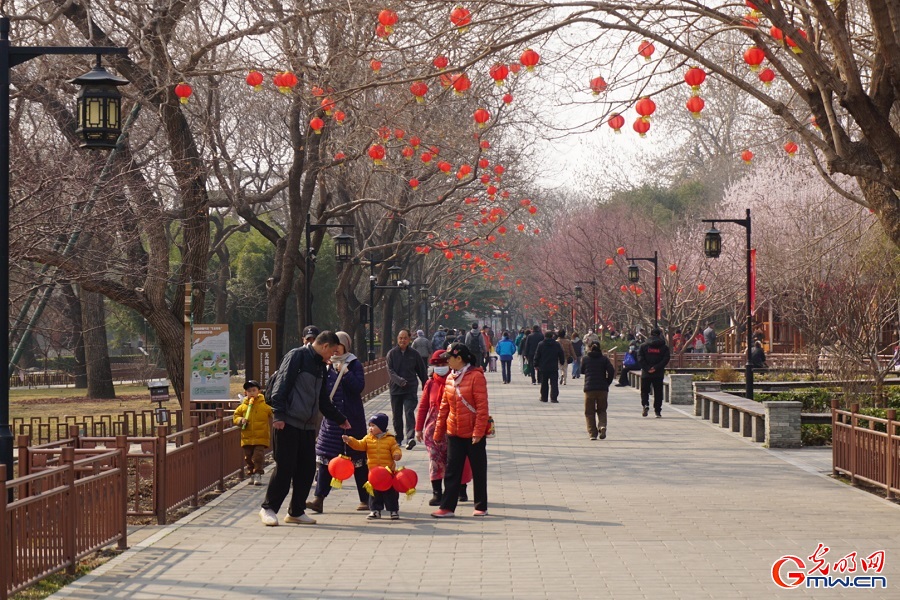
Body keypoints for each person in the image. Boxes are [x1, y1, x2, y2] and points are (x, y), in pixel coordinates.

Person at [259, 331, 350, 527]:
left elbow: (323, 399)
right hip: (288, 422)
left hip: (308, 426)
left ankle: (296, 511)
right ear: (324, 346)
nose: (332, 357)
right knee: (285, 467)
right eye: (332, 352)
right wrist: (279, 415)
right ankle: (268, 508)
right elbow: (280, 386)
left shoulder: (321, 366)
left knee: (307, 469)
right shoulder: (297, 356)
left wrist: (339, 419)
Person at [307, 332, 368, 514]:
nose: (335, 349)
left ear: (345, 346)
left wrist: (346, 372)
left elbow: (358, 387)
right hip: (332, 420)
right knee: (326, 459)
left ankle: (365, 499)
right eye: (334, 345)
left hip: (352, 420)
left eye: (339, 345)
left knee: (358, 460)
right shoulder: (325, 365)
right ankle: (319, 499)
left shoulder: (354, 364)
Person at [431, 343, 489, 518]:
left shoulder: (476, 377)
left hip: (473, 433)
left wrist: (478, 432)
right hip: (454, 431)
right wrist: (438, 431)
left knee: (478, 470)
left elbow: (482, 407)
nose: (447, 361)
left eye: (449, 358)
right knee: (452, 471)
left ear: (459, 358)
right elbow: (444, 407)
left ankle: (481, 506)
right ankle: (447, 507)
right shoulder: (450, 378)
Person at [415, 350, 473, 506]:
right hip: (433, 431)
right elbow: (423, 407)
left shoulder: (457, 381)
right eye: (437, 365)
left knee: (455, 460)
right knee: (435, 460)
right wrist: (418, 428)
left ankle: (460, 489)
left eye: (443, 364)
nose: (440, 367)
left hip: (453, 427)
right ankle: (437, 493)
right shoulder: (430, 384)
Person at [343, 413, 403, 520]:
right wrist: (350, 441)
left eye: (373, 426)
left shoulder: (390, 439)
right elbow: (359, 445)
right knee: (374, 493)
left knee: (390, 493)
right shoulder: (368, 438)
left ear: (381, 427)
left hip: (388, 473)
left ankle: (393, 510)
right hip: (374, 473)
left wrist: (397, 455)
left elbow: (395, 448)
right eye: (370, 425)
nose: (370, 428)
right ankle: (375, 510)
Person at [386, 329, 428, 450]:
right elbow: (390, 371)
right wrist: (400, 381)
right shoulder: (392, 354)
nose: (402, 340)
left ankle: (410, 438)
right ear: (397, 339)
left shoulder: (414, 354)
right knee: (397, 415)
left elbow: (422, 371)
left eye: (405, 338)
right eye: (400, 338)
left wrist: (427, 387)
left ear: (409, 339)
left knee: (409, 412)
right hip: (395, 389)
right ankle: (398, 438)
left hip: (410, 388)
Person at [233, 380, 273, 485]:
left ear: (259, 391)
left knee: (258, 456)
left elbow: (273, 413)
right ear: (245, 393)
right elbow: (235, 417)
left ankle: (257, 474)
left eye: (254, 390)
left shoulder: (264, 406)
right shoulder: (242, 406)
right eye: (249, 391)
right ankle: (251, 473)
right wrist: (241, 420)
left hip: (261, 437)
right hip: (247, 437)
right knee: (248, 457)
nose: (251, 392)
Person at [580, 342, 616, 440]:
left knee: (589, 412)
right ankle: (602, 426)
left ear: (589, 348)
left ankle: (592, 433)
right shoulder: (604, 359)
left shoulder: (586, 359)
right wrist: (607, 382)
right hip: (602, 388)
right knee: (602, 410)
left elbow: (582, 370)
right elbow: (611, 371)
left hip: (589, 388)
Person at [638, 328, 671, 418]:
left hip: (646, 373)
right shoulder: (664, 347)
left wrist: (647, 368)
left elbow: (640, 358)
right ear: (659, 335)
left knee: (644, 391)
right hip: (658, 373)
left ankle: (645, 405)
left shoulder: (643, 346)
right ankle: (657, 411)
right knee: (658, 392)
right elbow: (666, 359)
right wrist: (656, 368)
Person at [533, 331, 565, 403]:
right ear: (552, 336)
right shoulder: (556, 344)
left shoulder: (541, 344)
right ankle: (554, 398)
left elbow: (537, 355)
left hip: (543, 367)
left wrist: (535, 364)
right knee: (554, 383)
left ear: (545, 336)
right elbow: (561, 353)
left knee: (544, 383)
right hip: (553, 366)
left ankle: (544, 397)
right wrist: (562, 362)